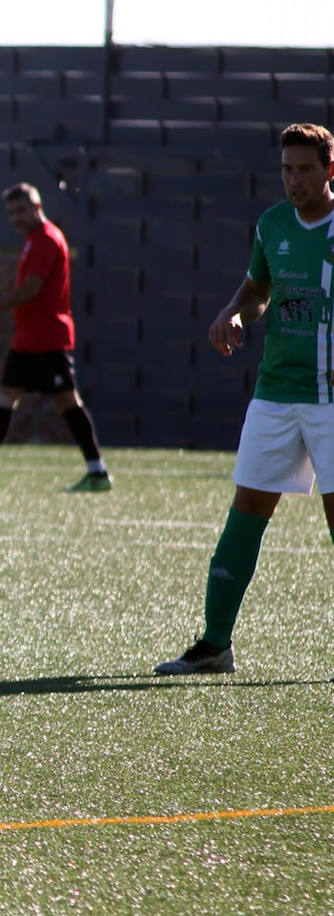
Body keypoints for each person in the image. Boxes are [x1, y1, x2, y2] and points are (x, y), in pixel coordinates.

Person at [155, 123, 334, 676]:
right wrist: (234, 312)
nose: (295, 179)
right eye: (287, 168)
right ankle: (215, 645)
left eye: (306, 168)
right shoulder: (271, 223)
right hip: (276, 393)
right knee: (245, 515)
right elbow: (258, 290)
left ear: (331, 169)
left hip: (330, 402)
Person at [0, 182, 112, 492]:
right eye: (11, 212)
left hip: (47, 339)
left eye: (21, 210)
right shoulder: (33, 240)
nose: (16, 217)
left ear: (37, 207)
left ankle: (98, 472)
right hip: (30, 340)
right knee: (5, 398)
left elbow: (32, 289)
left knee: (67, 401)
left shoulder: (45, 239)